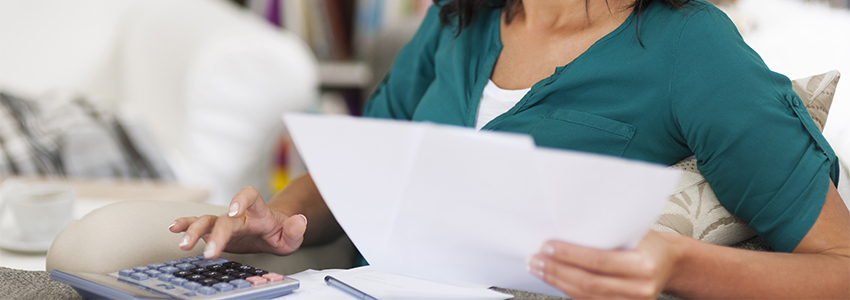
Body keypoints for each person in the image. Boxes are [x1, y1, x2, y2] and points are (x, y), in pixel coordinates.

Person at [170, 0, 850, 298]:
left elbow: (839, 268)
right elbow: (365, 156)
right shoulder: (455, 21)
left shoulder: (691, 47)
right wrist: (279, 221)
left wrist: (675, 265)